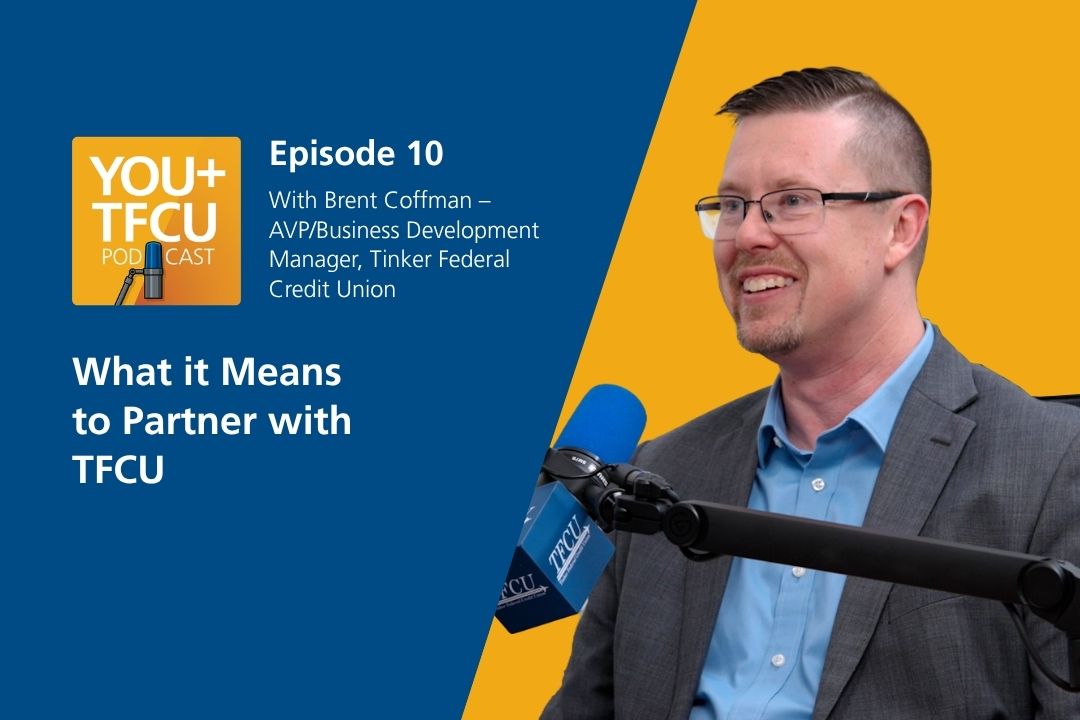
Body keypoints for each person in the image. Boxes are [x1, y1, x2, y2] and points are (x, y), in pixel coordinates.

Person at [542, 68, 1080, 719]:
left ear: (900, 229)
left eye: (792, 202)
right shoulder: (661, 476)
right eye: (732, 206)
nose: (746, 236)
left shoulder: (1051, 468)